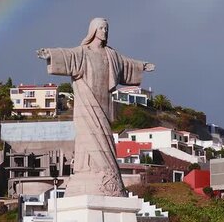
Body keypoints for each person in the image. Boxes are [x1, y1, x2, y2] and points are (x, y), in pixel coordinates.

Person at [37, 18, 155, 197]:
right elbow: (67, 55)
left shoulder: (111, 54)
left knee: (105, 137)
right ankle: (90, 172)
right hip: (87, 104)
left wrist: (142, 66)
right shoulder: (83, 53)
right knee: (87, 137)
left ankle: (108, 177)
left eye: (106, 28)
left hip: (105, 103)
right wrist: (51, 54)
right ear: (93, 30)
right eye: (100, 28)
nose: (104, 31)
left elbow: (126, 64)